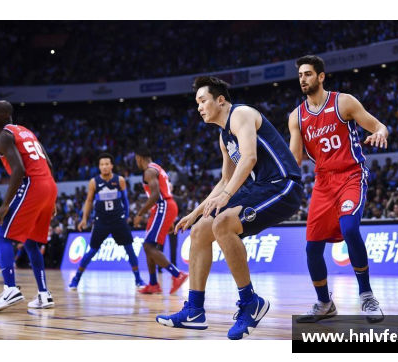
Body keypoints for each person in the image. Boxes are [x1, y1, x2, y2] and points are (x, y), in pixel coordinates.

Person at [156, 77, 303, 340]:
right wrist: (195, 213)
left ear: (220, 100)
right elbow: (225, 180)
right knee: (200, 230)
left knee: (222, 223)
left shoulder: (241, 114)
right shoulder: (224, 137)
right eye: (197, 103)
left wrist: (225, 196)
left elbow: (249, 157)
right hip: (260, 187)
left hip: (283, 185)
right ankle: (194, 311)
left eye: (203, 101)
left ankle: (250, 302)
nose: (199, 107)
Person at [288, 55, 386, 324]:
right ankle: (324, 303)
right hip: (322, 183)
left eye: (308, 74)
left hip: (351, 175)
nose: (303, 79)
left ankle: (366, 295)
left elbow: (378, 124)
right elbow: (294, 160)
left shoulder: (343, 102)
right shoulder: (296, 117)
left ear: (321, 76)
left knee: (350, 228)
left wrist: (380, 133)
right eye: (300, 75)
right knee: (311, 248)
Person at [0, 100, 57, 313]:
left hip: (32, 184)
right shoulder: (27, 132)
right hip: (49, 185)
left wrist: (5, 204)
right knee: (30, 241)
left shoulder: (3, 137)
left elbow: (18, 170)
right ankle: (44, 294)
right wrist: (53, 199)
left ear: (6, 116)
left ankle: (10, 289)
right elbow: (49, 163)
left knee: (2, 237)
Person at [69, 153, 145, 290]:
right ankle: (76, 278)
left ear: (111, 166)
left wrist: (126, 215)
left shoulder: (119, 180)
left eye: (106, 164)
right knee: (92, 250)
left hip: (118, 220)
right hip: (101, 221)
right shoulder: (94, 182)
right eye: (101, 164)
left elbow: (125, 201)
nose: (104, 167)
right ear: (99, 166)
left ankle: (138, 279)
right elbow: (88, 201)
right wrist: (84, 218)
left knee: (129, 249)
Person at [134, 146, 187, 294]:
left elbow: (156, 195)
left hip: (163, 207)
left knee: (149, 247)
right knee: (148, 246)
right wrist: (169, 221)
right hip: (163, 209)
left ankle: (177, 274)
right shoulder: (158, 168)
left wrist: (139, 213)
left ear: (138, 158)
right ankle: (153, 284)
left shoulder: (149, 171)